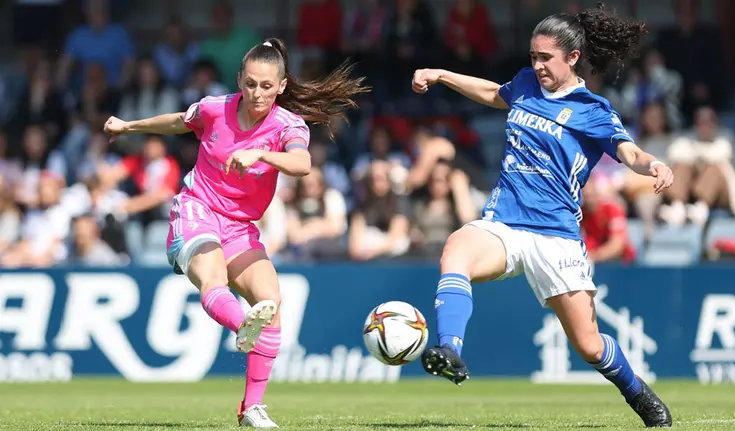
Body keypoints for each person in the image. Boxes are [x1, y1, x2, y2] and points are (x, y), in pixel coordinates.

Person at [410, 3, 674, 428]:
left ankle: (638, 393)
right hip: (504, 224)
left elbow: (628, 151)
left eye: (545, 57)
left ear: (572, 58)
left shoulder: (593, 109)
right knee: (456, 249)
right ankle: (450, 350)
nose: (537, 65)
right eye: (533, 56)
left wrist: (654, 164)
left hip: (556, 237)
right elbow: (494, 93)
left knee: (589, 346)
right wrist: (441, 75)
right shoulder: (527, 84)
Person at [103, 37, 368, 428]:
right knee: (214, 277)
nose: (256, 93)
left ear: (280, 86)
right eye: (249, 84)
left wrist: (260, 153)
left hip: (241, 228)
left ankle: (251, 408)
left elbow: (301, 163)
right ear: (239, 80)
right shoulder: (215, 109)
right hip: (197, 209)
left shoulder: (288, 126)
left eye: (265, 86)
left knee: (271, 301)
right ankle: (242, 324)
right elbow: (179, 121)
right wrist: (129, 127)